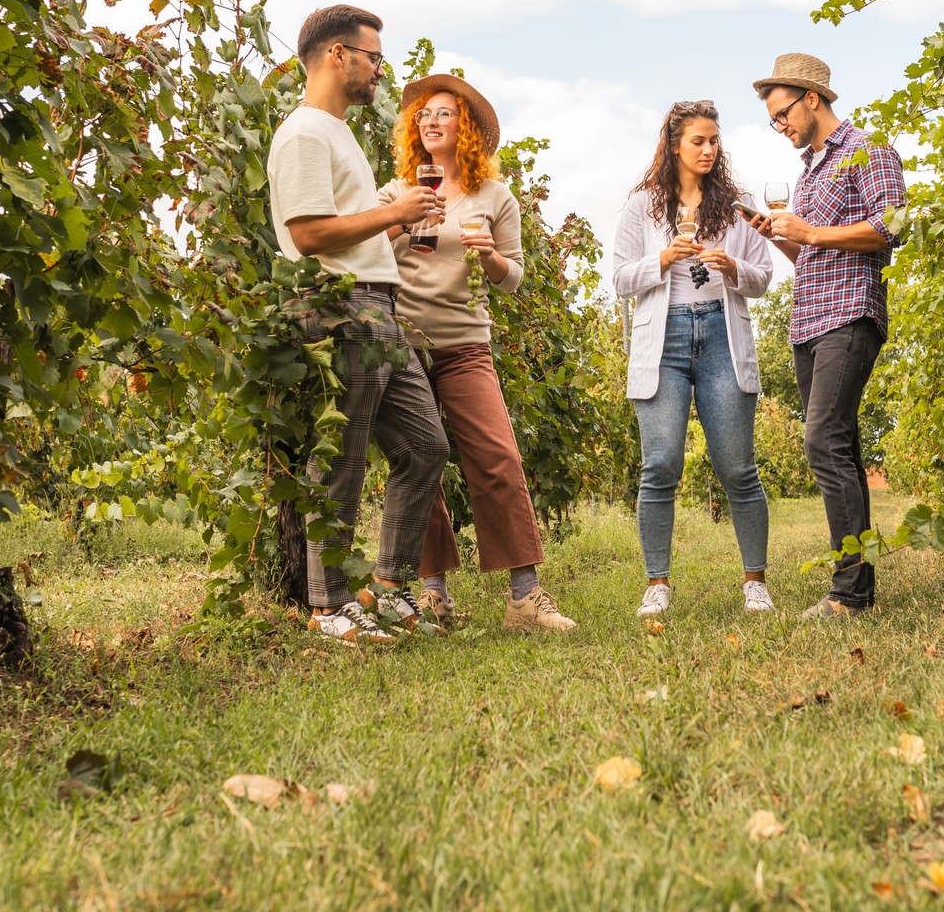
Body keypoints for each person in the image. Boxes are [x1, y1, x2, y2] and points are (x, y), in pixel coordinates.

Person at [267, 3, 452, 645]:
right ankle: (328, 606)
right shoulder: (304, 134)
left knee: (425, 445)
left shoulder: (339, 133)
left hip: (379, 303)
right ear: (336, 55)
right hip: (339, 305)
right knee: (342, 455)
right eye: (372, 57)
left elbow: (350, 228)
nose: (380, 69)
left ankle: (390, 589)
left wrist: (403, 220)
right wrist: (391, 212)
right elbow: (310, 233)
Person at [374, 75, 577, 633]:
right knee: (421, 461)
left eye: (443, 113)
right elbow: (366, 251)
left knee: (498, 460)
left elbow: (513, 279)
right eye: (422, 115)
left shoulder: (495, 196)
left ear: (464, 127)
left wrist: (488, 257)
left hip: (466, 343)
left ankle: (525, 599)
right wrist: (403, 223)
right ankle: (434, 594)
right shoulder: (396, 191)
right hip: (403, 344)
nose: (430, 121)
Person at [748, 53, 906, 619]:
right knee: (839, 444)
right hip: (810, 320)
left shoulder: (869, 150)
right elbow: (813, 251)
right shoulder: (810, 170)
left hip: (849, 314)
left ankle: (848, 592)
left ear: (812, 98)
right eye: (774, 120)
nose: (781, 126)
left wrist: (810, 228)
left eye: (782, 113)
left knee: (821, 442)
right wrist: (779, 235)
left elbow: (891, 229)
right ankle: (856, 587)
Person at [611, 100, 776, 619]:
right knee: (659, 466)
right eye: (698, 141)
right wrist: (661, 259)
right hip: (666, 339)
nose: (708, 150)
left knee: (738, 469)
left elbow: (764, 276)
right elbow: (618, 279)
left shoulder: (739, 204)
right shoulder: (643, 206)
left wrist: (731, 267)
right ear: (674, 145)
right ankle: (657, 584)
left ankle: (755, 582)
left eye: (713, 141)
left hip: (722, 339)